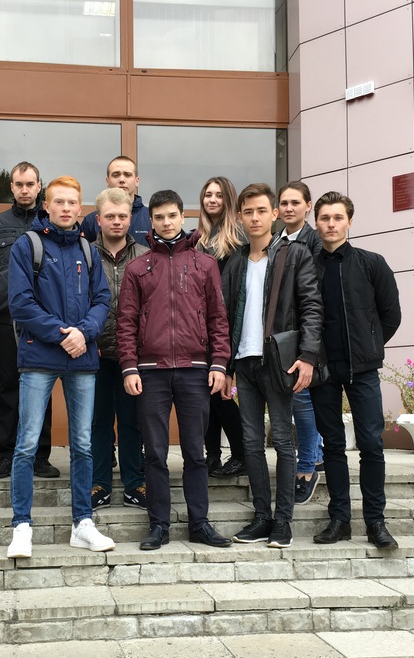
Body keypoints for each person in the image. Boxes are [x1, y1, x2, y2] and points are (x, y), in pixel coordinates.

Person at [117, 189, 233, 551]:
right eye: (159, 217)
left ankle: (199, 523)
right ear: (150, 221)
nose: (166, 222)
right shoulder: (138, 268)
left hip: (195, 370)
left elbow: (218, 319)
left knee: (196, 452)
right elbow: (125, 322)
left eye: (172, 215)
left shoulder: (205, 264)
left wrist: (219, 363)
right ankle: (159, 525)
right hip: (150, 372)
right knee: (154, 452)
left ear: (183, 217)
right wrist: (129, 367)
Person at [6, 176, 115, 558]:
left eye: (72, 202)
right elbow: (20, 303)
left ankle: (82, 524)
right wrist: (61, 334)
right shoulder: (27, 245)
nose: (66, 208)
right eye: (59, 202)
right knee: (26, 444)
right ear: (46, 206)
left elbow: (102, 300)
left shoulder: (88, 249)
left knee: (83, 445)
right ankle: (21, 526)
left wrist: (84, 333)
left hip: (81, 358)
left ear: (80, 208)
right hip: (40, 357)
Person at [221, 183, 323, 548]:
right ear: (239, 217)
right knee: (250, 443)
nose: (255, 218)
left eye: (262, 211)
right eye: (248, 212)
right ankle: (262, 517)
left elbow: (312, 307)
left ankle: (283, 521)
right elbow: (223, 317)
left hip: (278, 362)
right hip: (244, 362)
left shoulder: (294, 255)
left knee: (281, 439)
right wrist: (225, 366)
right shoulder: (235, 262)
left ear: (274, 214)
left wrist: (308, 356)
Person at [308, 191, 401, 549]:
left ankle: (376, 522)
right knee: (332, 446)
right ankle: (340, 520)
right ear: (316, 223)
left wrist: (370, 345)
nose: (331, 224)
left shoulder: (371, 263)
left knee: (372, 445)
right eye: (325, 218)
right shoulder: (307, 266)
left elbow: (391, 315)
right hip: (323, 371)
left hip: (362, 370)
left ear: (349, 221)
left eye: (337, 217)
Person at [0, 161, 59, 480]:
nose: (25, 190)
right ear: (11, 187)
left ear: (39, 186)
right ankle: (5, 453)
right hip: (6, 317)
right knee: (7, 386)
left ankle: (40, 456)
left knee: (42, 386)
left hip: (44, 319)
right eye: (19, 184)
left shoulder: (52, 221)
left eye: (30, 184)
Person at [88, 187, 148, 510]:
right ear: (98, 219)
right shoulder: (85, 254)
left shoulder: (146, 256)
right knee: (98, 422)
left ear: (130, 219)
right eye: (110, 216)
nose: (116, 221)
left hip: (131, 357)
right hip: (93, 354)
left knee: (131, 421)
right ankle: (99, 483)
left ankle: (134, 484)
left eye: (122, 216)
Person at [277, 181, 325, 504]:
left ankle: (307, 467)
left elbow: (313, 298)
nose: (289, 208)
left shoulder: (315, 242)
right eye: (284, 203)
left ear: (308, 206)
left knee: (302, 402)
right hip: (282, 337)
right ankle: (315, 455)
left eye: (296, 202)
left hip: (304, 337)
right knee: (296, 402)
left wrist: (310, 347)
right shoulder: (276, 241)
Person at [197, 176, 246, 479]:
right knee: (208, 395)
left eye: (218, 195)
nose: (212, 200)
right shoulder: (199, 238)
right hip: (200, 327)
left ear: (228, 200)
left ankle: (241, 455)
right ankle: (212, 455)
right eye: (207, 195)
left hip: (224, 326)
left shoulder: (237, 238)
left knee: (222, 395)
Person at [79, 156, 151, 245]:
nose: (122, 180)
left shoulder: (150, 218)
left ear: (137, 181)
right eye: (116, 175)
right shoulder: (91, 221)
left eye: (127, 175)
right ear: (107, 180)